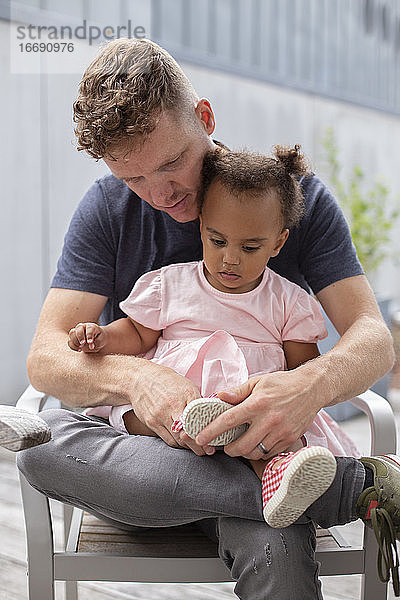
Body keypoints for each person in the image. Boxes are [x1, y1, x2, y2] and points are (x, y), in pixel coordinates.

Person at [9, 37, 399, 598]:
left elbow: (373, 338)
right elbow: (46, 358)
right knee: (42, 447)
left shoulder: (288, 201)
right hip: (147, 464)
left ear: (205, 118)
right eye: (133, 179)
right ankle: (346, 489)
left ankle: (285, 487)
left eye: (171, 164)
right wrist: (139, 379)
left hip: (263, 453)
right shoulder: (107, 211)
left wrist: (304, 388)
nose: (159, 194)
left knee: (278, 537)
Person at [67, 145, 359, 529]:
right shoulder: (170, 285)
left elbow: (302, 369)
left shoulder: (287, 301)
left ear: (278, 243)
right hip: (172, 416)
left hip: (247, 412)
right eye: (218, 241)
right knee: (136, 417)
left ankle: (278, 477)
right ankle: (211, 438)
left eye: (250, 247)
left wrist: (289, 397)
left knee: (280, 439)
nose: (230, 259)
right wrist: (101, 337)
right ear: (201, 227)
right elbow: (136, 333)